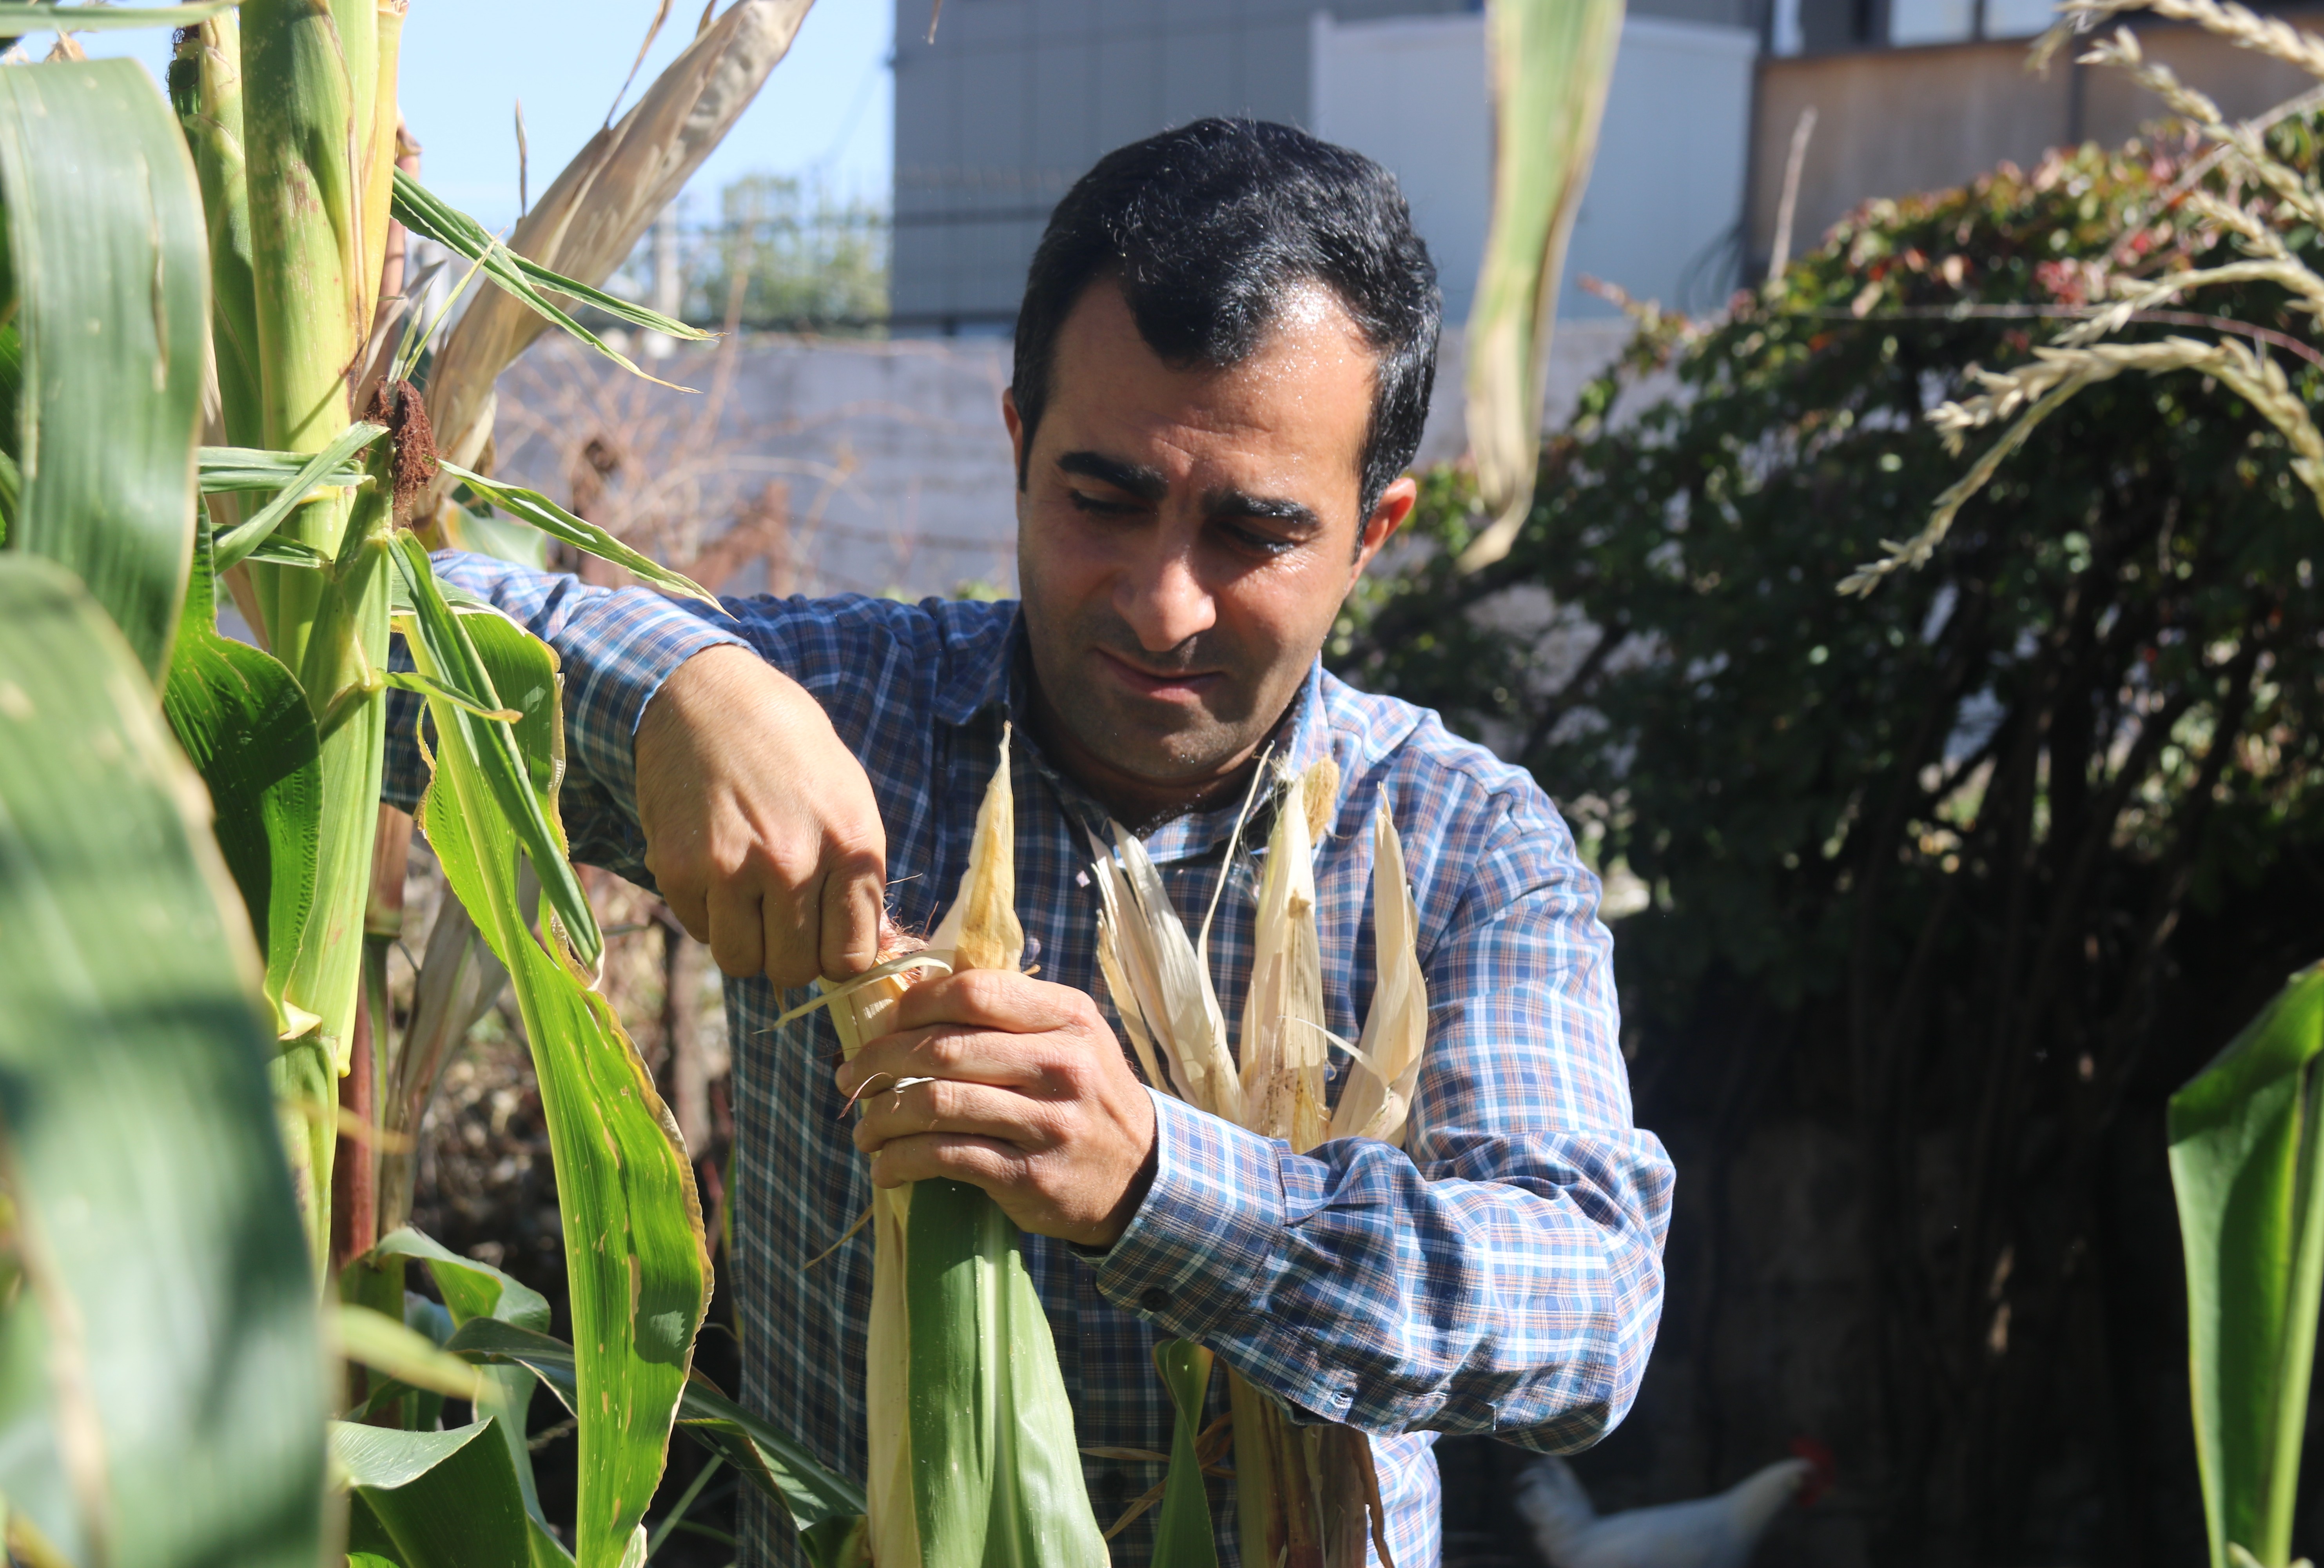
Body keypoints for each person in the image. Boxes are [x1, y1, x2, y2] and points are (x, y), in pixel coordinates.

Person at [386, 117, 1673, 1566]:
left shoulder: (1457, 847)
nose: (1164, 604)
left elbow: (1589, 1308)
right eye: (1102, 500)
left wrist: (1156, 1184)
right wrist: (676, 692)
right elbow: (354, 638)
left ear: (1373, 533)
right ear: (1019, 445)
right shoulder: (850, 721)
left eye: (1253, 533)